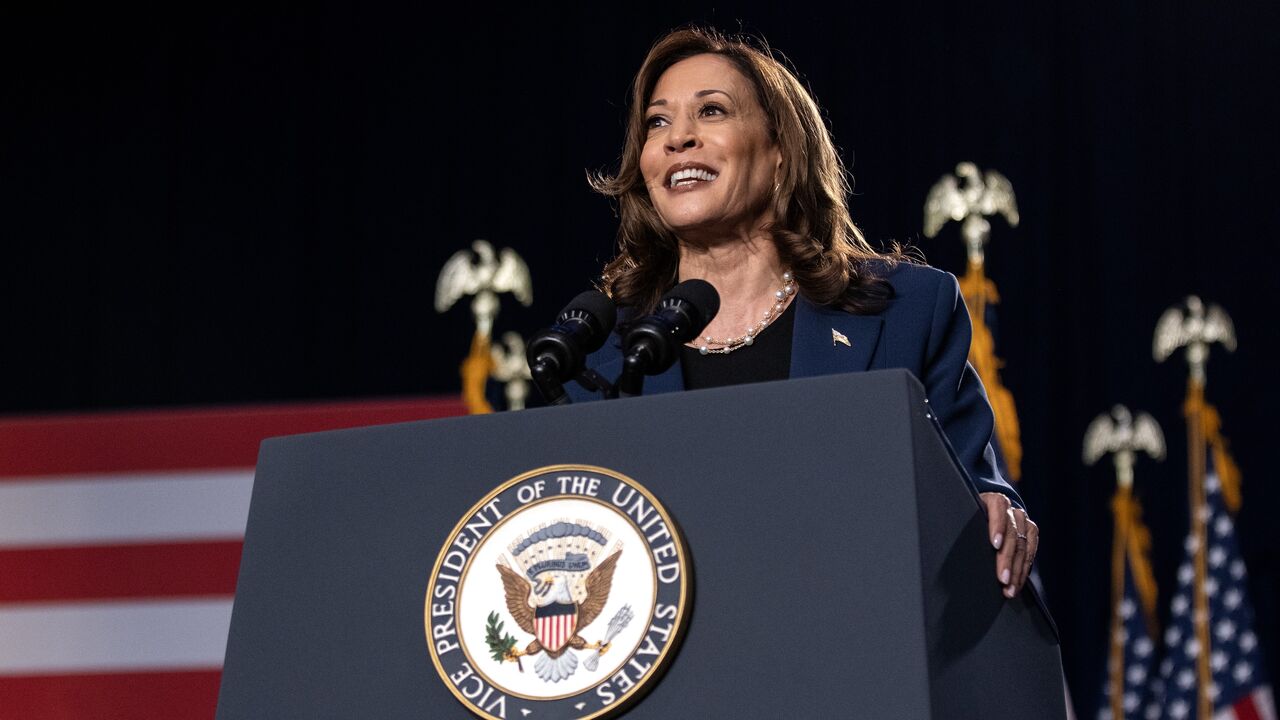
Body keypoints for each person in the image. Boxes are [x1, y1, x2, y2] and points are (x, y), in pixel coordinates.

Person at [568, 27, 1038, 599]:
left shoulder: (906, 312)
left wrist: (996, 511)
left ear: (781, 153)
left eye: (710, 111)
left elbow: (967, 487)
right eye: (657, 123)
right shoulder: (601, 352)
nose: (677, 139)